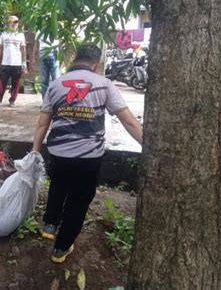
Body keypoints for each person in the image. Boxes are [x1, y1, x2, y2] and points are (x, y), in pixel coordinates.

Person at [32, 44, 143, 264]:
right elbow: (128, 121)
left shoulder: (55, 84)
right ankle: (61, 249)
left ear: (76, 58)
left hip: (58, 153)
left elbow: (43, 122)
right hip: (88, 157)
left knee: (58, 184)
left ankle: (50, 225)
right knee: (79, 200)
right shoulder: (104, 84)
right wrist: (148, 146)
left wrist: (35, 150)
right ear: (96, 63)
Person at [0, 15, 27, 107]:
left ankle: (12, 101)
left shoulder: (21, 35)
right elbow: (0, 47)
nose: (14, 24)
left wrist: (24, 62)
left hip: (17, 64)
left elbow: (23, 48)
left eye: (16, 22)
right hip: (5, 63)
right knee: (2, 82)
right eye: (12, 22)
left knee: (15, 83)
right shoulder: (4, 34)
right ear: (9, 23)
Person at [32, 32, 60, 100]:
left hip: (54, 56)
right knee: (44, 82)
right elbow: (36, 44)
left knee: (56, 80)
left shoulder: (56, 28)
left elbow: (60, 43)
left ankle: (56, 100)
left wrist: (60, 57)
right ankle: (45, 102)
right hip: (43, 57)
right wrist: (33, 58)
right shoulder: (39, 31)